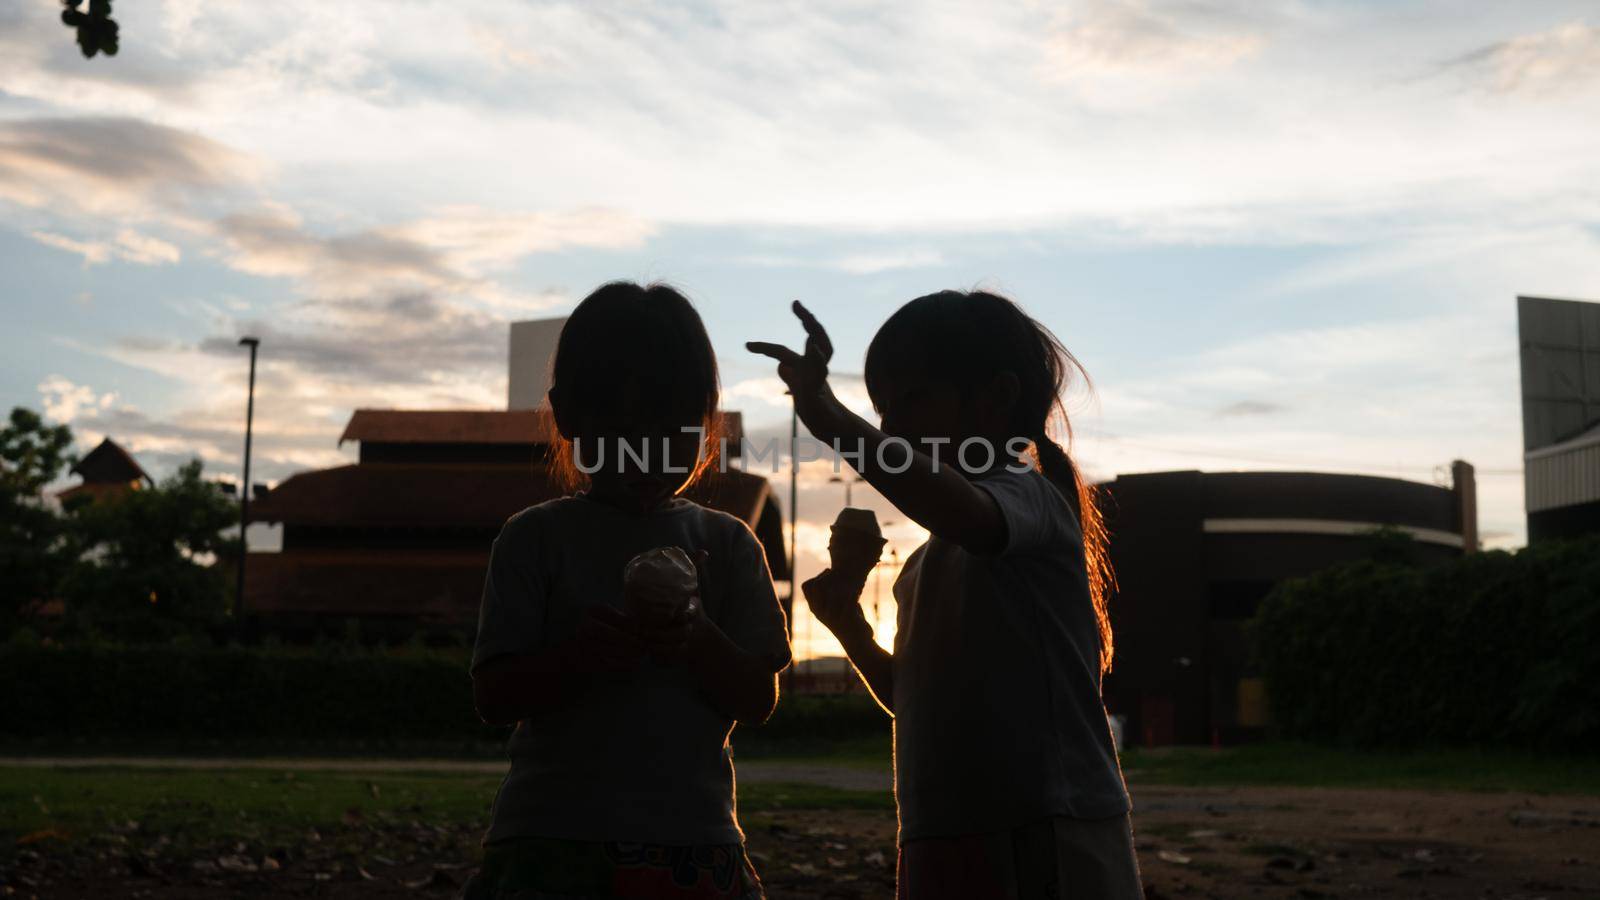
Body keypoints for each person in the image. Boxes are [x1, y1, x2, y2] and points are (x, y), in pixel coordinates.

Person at [748, 291, 1141, 899]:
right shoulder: (926, 562)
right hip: (941, 830)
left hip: (1046, 825)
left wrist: (830, 421)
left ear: (997, 399)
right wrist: (848, 625)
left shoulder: (1030, 500)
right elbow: (913, 698)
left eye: (912, 400)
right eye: (882, 409)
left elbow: (961, 510)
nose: (892, 427)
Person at [465, 281, 792, 900]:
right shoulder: (534, 539)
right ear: (568, 416)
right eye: (619, 422)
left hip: (694, 837)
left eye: (671, 427)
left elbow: (758, 697)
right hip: (552, 837)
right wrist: (579, 660)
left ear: (704, 424)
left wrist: (697, 639)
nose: (643, 446)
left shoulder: (728, 545)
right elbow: (493, 694)